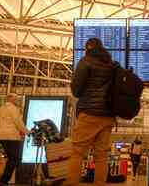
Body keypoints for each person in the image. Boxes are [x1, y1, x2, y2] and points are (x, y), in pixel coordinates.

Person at [66, 38, 116, 186]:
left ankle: (72, 183)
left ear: (88, 47)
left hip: (89, 113)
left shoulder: (86, 61)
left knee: (77, 152)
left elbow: (76, 90)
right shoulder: (111, 65)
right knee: (101, 156)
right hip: (108, 116)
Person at [0, 93, 30, 186]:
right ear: (10, 98)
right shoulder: (13, 109)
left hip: (2, 136)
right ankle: (5, 180)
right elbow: (18, 122)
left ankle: (4, 180)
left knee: (12, 158)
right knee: (16, 158)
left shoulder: (2, 108)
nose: (17, 99)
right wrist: (28, 132)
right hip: (11, 137)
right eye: (15, 98)